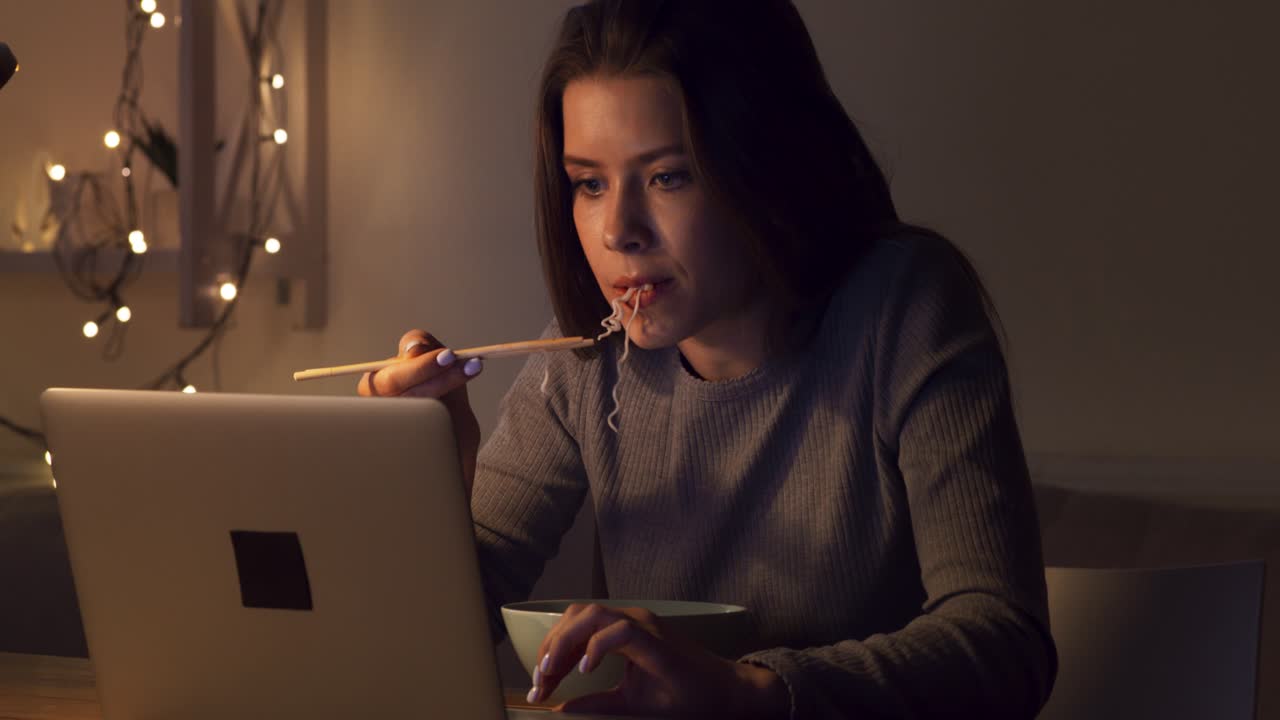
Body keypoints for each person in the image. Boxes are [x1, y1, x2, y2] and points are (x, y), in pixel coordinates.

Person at [358, 1, 1056, 717]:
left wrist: (748, 692)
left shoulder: (901, 306)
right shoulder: (587, 356)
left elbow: (1004, 645)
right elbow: (427, 639)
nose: (618, 232)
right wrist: (424, 482)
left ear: (763, 163)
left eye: (668, 176)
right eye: (589, 183)